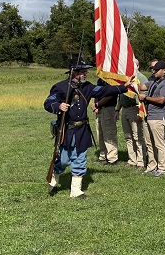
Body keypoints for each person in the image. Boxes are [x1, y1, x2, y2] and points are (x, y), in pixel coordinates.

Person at [44, 58, 133, 198]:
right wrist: (59, 106)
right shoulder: (61, 87)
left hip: (82, 129)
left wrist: (123, 86)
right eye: (83, 71)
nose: (86, 74)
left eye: (86, 71)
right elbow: (48, 102)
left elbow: (105, 90)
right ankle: (54, 179)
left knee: (80, 158)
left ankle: (75, 191)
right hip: (67, 129)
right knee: (64, 160)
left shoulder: (88, 87)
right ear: (74, 72)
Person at [140, 60, 165, 176]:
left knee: (159, 144)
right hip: (148, 115)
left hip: (158, 116)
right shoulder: (153, 80)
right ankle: (152, 165)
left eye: (157, 70)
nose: (154, 71)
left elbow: (161, 99)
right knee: (149, 143)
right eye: (153, 69)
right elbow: (142, 86)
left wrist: (146, 98)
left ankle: (162, 168)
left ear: (164, 71)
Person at [116, 60, 147, 170]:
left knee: (137, 136)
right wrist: (117, 110)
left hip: (135, 108)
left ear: (138, 66)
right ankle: (132, 160)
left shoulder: (141, 78)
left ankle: (141, 161)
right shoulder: (124, 78)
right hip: (125, 109)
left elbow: (144, 96)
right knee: (128, 136)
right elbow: (121, 96)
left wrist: (140, 112)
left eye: (134, 65)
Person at [92, 78, 119, 165]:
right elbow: (96, 93)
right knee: (100, 133)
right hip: (99, 109)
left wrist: (97, 104)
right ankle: (103, 155)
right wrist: (94, 105)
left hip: (108, 108)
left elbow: (110, 95)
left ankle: (112, 158)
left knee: (109, 133)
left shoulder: (112, 80)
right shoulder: (100, 79)